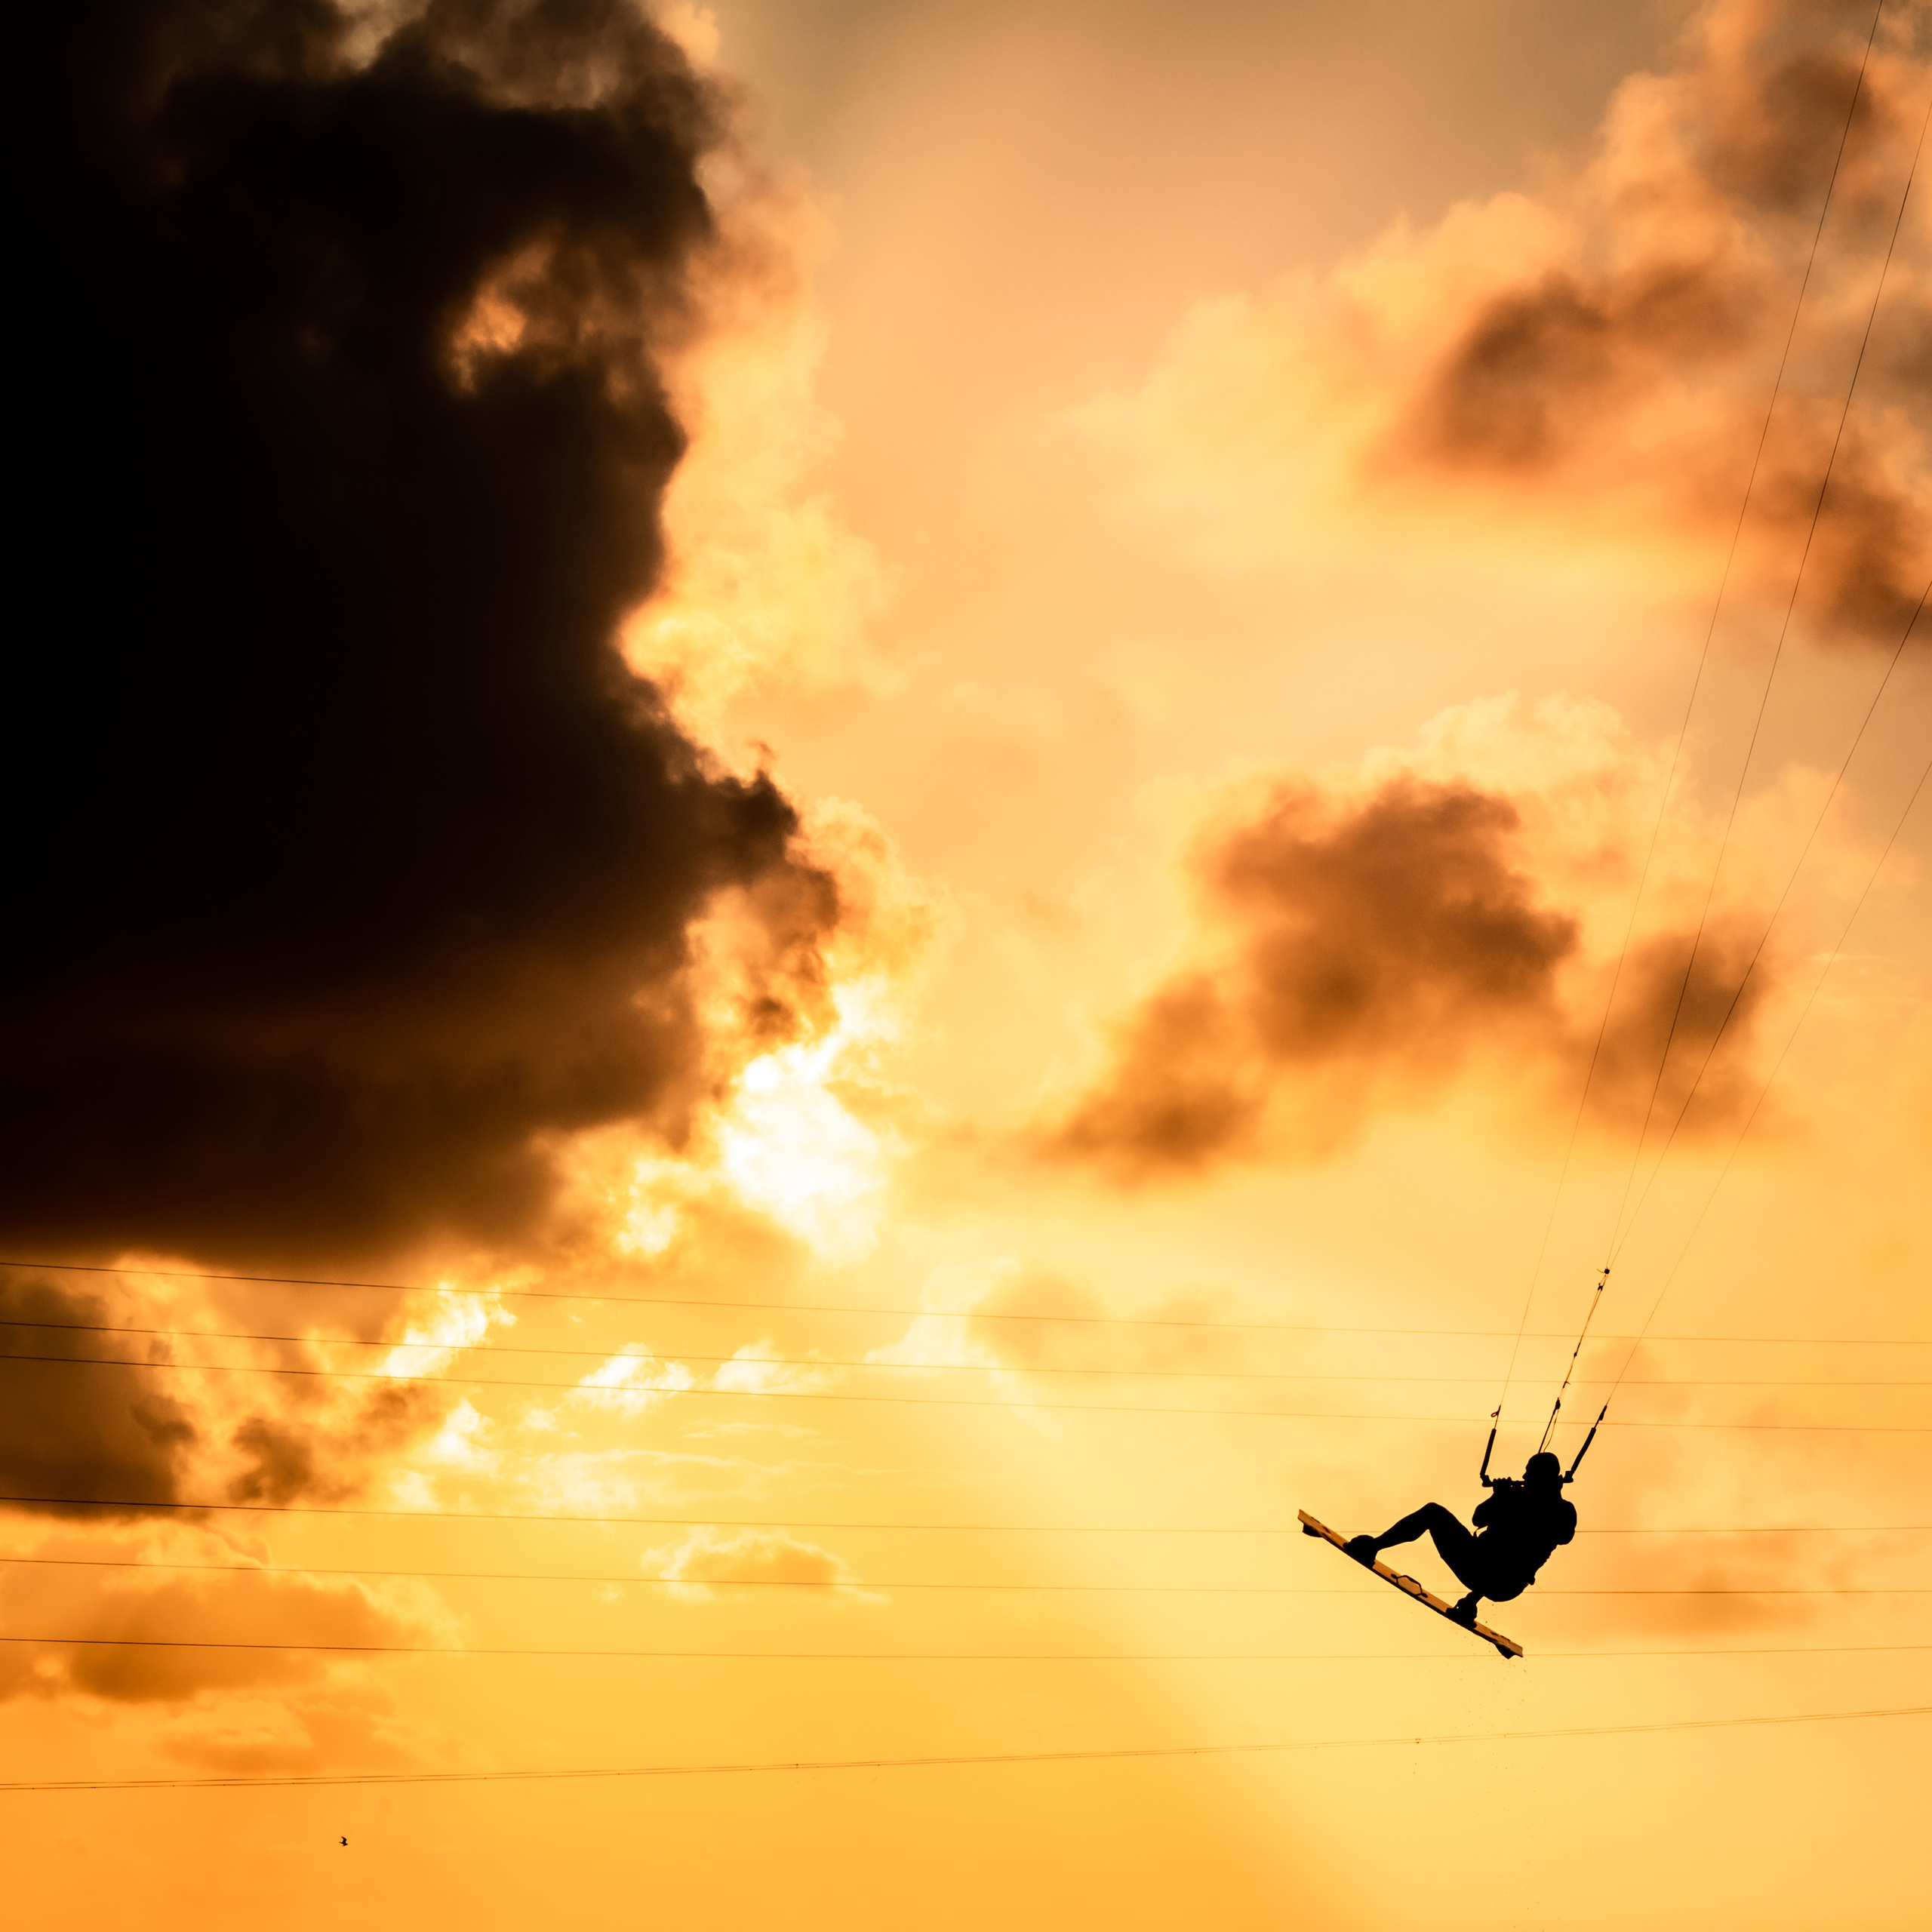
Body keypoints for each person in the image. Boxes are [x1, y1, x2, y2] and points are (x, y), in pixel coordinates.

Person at [1344, 1449, 1577, 1626]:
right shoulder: (1516, 1496)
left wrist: (1529, 1501)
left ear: (1542, 1477)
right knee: (1437, 1515)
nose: (1523, 1475)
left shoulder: (1562, 1510)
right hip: (1485, 1570)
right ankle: (1471, 1602)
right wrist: (1498, 1497)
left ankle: (1373, 1546)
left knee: (1435, 1514)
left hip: (1502, 1579)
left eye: (1529, 1472)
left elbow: (1556, 1539)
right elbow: (1478, 1519)